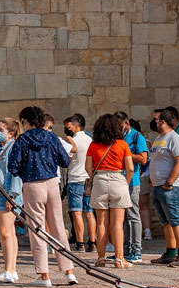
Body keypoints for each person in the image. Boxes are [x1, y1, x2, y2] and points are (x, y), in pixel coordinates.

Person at [6, 104, 77, 287]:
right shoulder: (52, 137)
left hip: (32, 184)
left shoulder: (22, 140)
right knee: (58, 227)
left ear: (26, 121)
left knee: (37, 229)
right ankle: (69, 272)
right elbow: (65, 160)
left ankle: (44, 275)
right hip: (52, 182)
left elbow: (12, 166)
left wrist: (24, 169)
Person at [85, 112, 133, 268]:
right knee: (117, 224)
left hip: (100, 179)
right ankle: (119, 259)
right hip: (118, 179)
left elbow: (87, 167)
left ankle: (100, 258)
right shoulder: (122, 144)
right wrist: (125, 182)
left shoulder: (93, 145)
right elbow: (130, 168)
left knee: (101, 222)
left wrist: (94, 179)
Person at [0, 117, 23, 284]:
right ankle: (10, 268)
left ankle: (10, 270)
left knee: (7, 232)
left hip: (7, 193)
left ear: (11, 133)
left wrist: (13, 195)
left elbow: (15, 172)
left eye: (1, 130)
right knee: (5, 233)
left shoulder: (13, 148)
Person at [147, 111, 179, 265]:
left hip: (171, 188)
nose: (153, 122)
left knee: (176, 220)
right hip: (157, 185)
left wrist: (169, 182)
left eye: (155, 119)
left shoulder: (174, 138)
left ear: (163, 121)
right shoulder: (159, 138)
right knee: (166, 222)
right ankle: (170, 252)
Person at [115, 111, 148, 263]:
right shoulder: (118, 137)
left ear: (127, 123)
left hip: (132, 181)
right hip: (119, 181)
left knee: (133, 215)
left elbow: (143, 158)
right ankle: (126, 249)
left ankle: (137, 250)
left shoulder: (137, 137)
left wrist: (125, 154)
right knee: (123, 217)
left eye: (120, 125)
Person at [63, 114, 96, 251]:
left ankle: (80, 241)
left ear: (76, 126)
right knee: (89, 212)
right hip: (88, 179)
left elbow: (66, 160)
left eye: (68, 127)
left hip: (75, 178)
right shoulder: (90, 140)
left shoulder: (72, 141)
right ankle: (92, 242)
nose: (67, 130)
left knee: (76, 212)